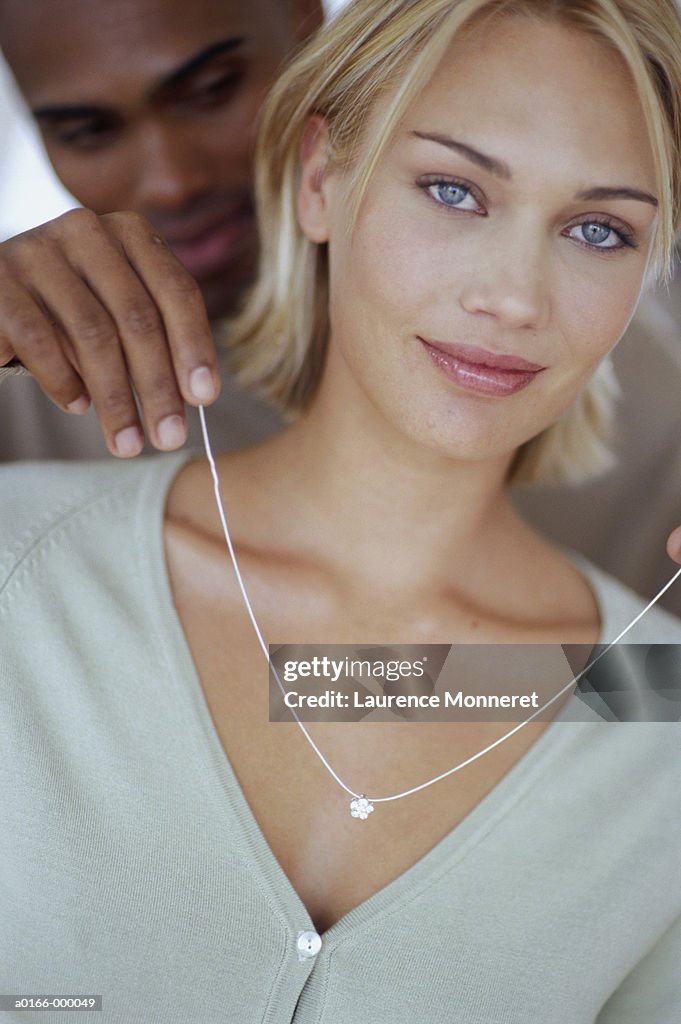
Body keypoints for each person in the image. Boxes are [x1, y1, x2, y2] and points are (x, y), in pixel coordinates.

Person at [1, 0, 681, 1018]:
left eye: (599, 228)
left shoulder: (652, 701)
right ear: (321, 180)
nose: (514, 296)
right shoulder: (24, 563)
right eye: (454, 189)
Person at [0, 0, 322, 458]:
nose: (171, 185)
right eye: (87, 131)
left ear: (306, 21)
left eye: (212, 91)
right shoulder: (24, 376)